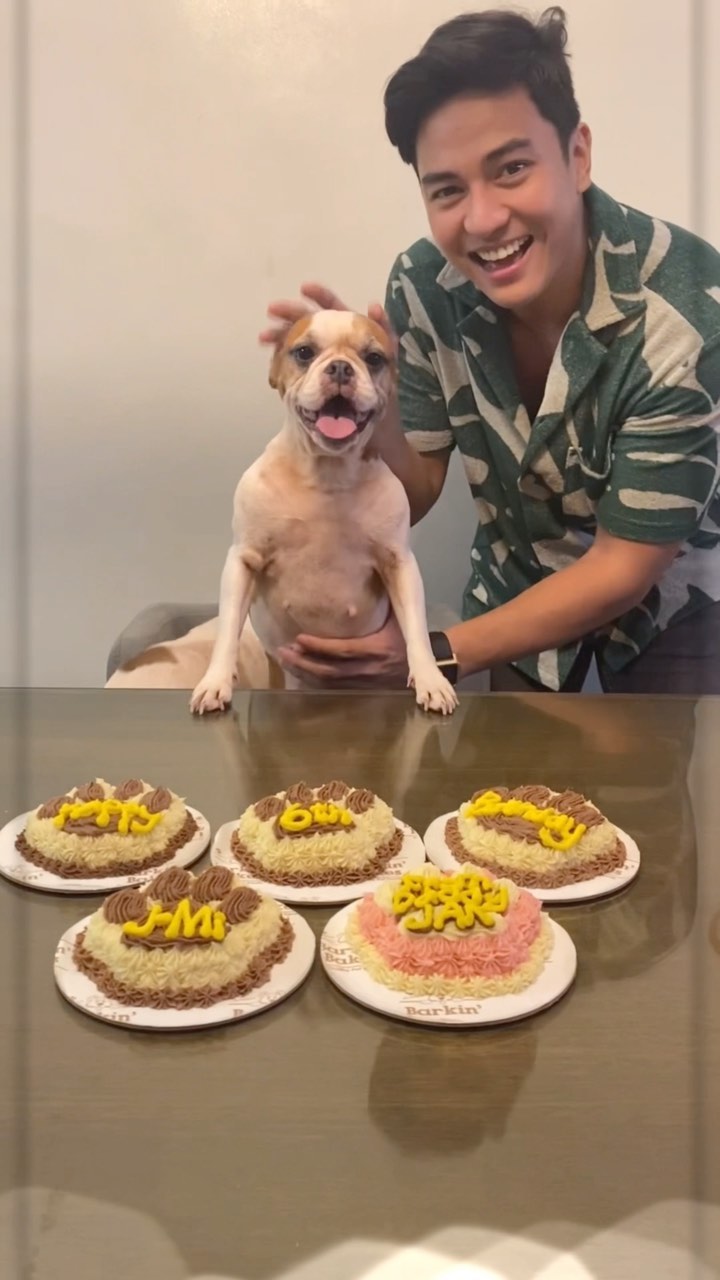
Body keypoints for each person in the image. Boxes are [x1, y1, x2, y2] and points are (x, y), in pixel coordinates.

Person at [260, 6, 720, 695]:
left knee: (661, 765)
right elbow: (414, 490)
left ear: (577, 156)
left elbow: (625, 566)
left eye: (511, 169)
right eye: (447, 190)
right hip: (514, 583)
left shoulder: (687, 309)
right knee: (503, 769)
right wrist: (362, 400)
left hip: (674, 603)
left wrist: (435, 653)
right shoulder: (423, 286)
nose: (482, 219)